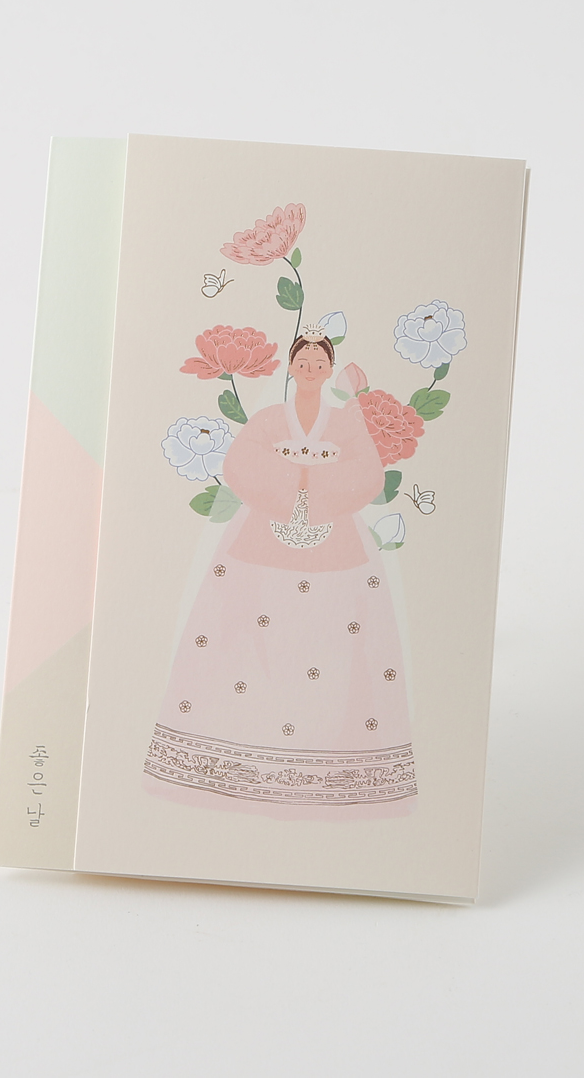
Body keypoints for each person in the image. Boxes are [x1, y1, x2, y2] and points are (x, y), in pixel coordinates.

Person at [143, 333, 417, 817]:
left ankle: (330, 764)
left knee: (331, 636)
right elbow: (241, 462)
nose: (310, 367)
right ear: (291, 368)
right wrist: (299, 481)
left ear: (328, 370)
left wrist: (308, 479)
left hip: (335, 541)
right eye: (302, 360)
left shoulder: (343, 421)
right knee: (248, 632)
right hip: (261, 535)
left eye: (319, 361)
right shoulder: (270, 419)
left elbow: (367, 472)